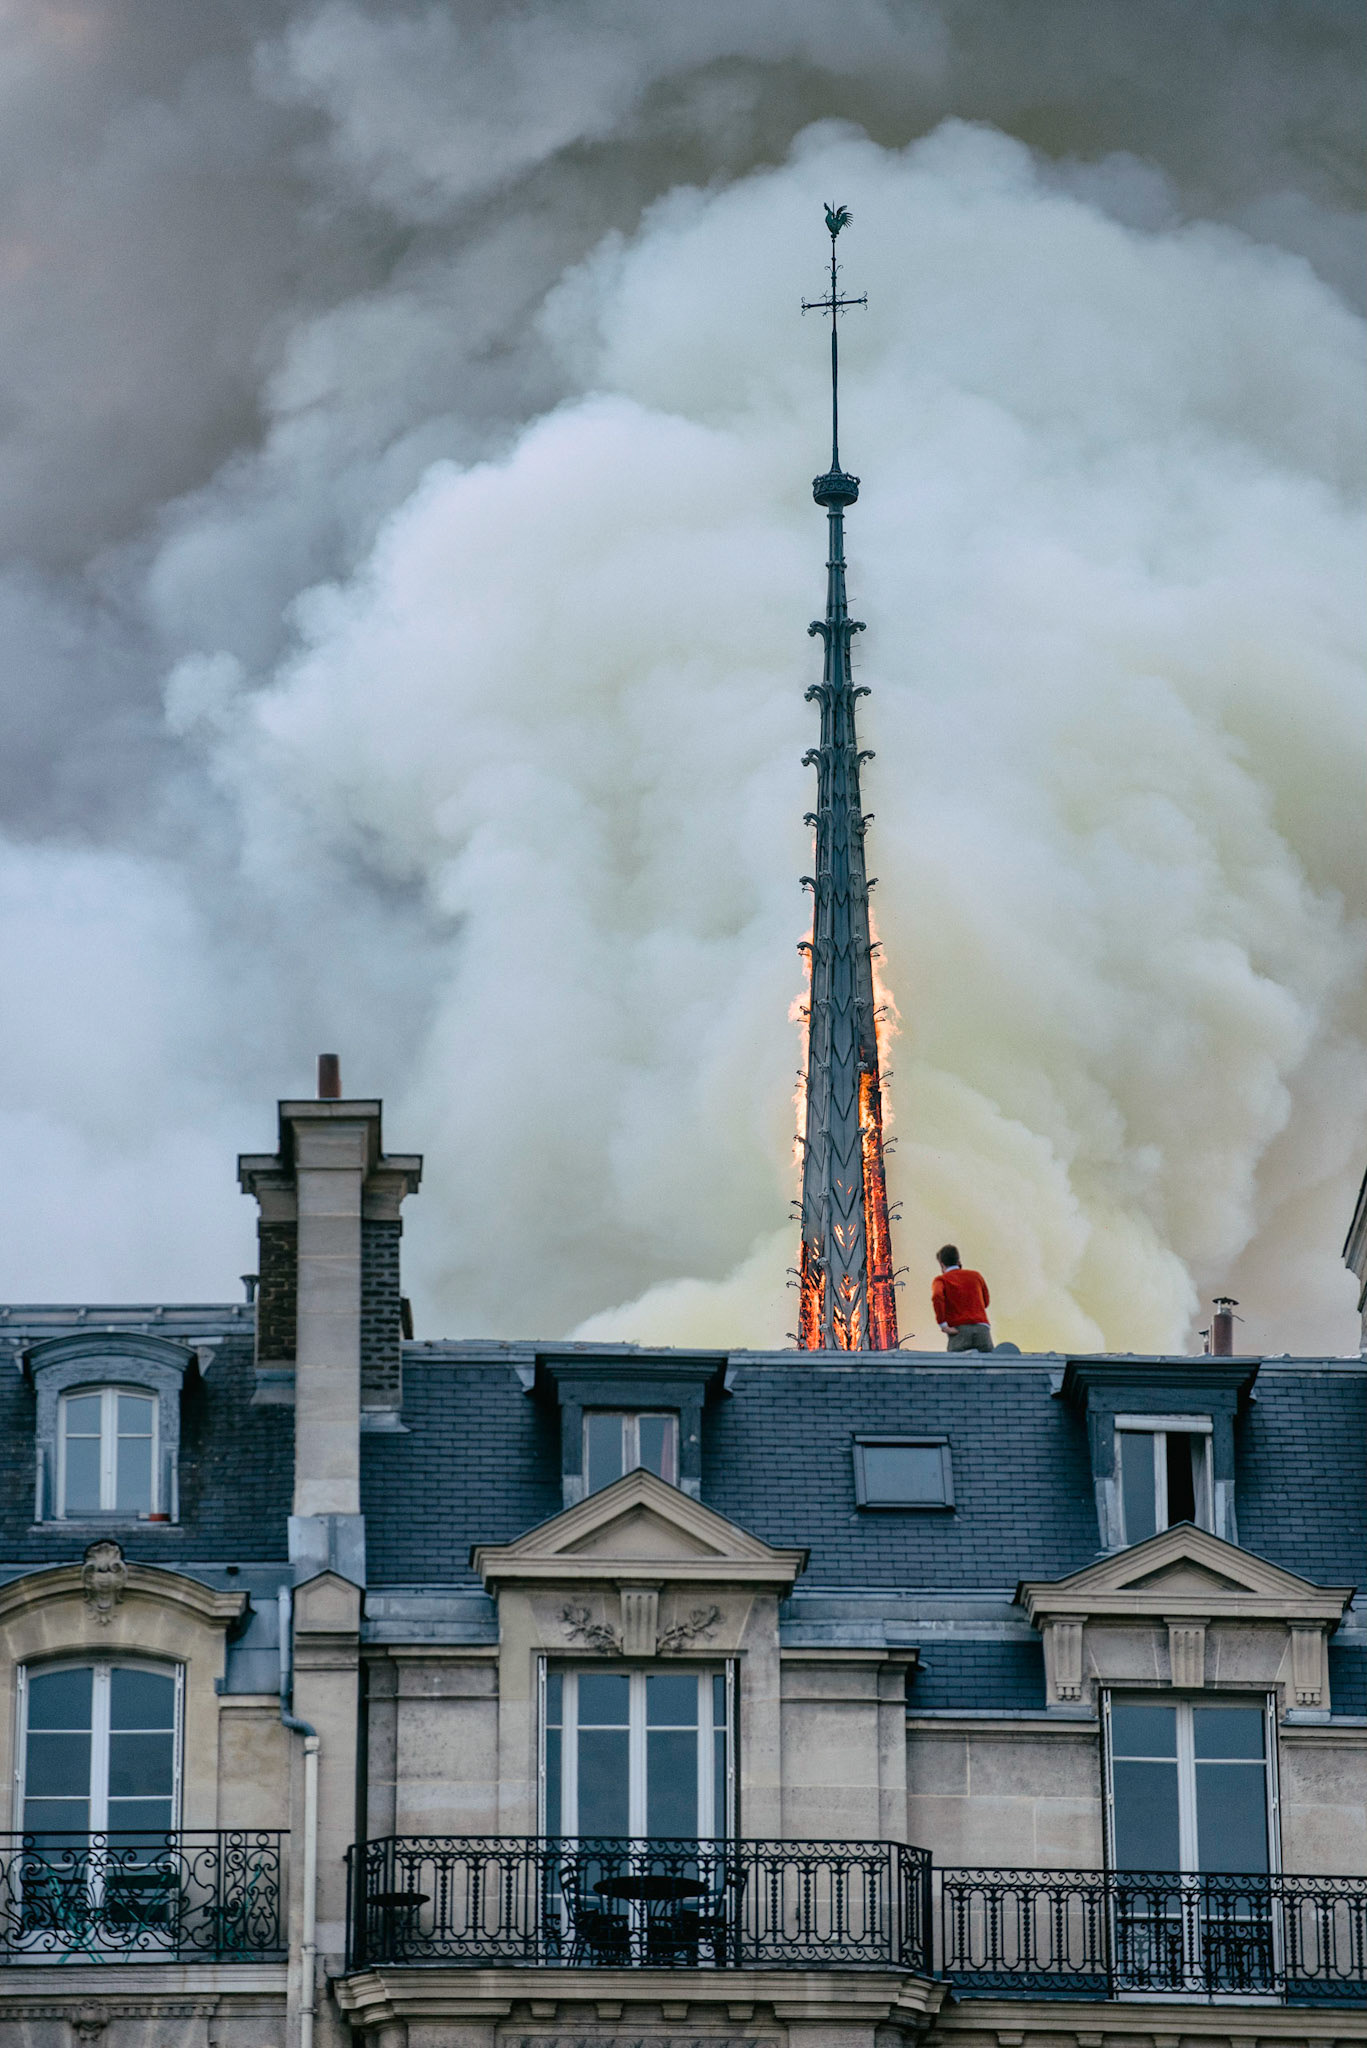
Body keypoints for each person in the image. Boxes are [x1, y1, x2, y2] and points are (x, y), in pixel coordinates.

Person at [932, 1245, 994, 1352]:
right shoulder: (976, 1276)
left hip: (959, 1330)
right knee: (988, 1365)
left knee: (957, 1365)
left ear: (942, 1264)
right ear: (958, 1260)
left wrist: (943, 1324)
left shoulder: (941, 1280)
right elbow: (986, 1302)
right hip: (982, 1328)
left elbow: (937, 1296)